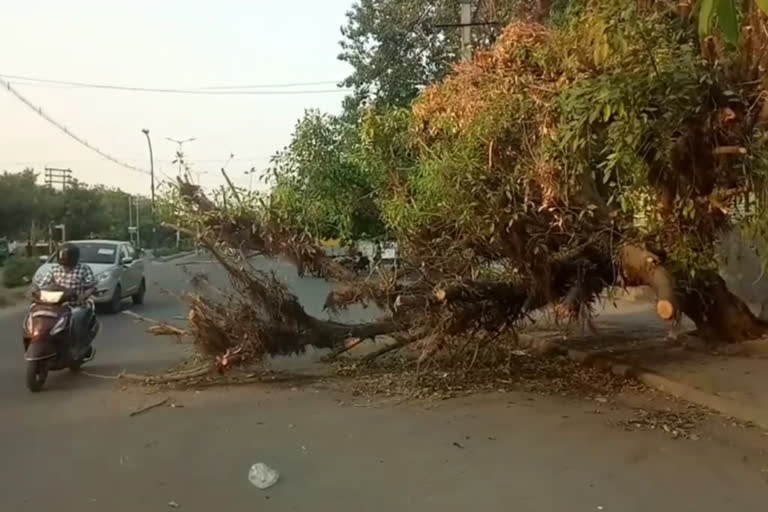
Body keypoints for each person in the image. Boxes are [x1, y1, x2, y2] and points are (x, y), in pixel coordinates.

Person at [36, 244, 97, 357]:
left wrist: (84, 296)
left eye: (67, 259)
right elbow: (42, 285)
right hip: (55, 304)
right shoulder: (54, 269)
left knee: (76, 317)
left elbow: (91, 286)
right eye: (62, 258)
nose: (65, 263)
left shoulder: (84, 269)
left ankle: (78, 346)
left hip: (75, 305)